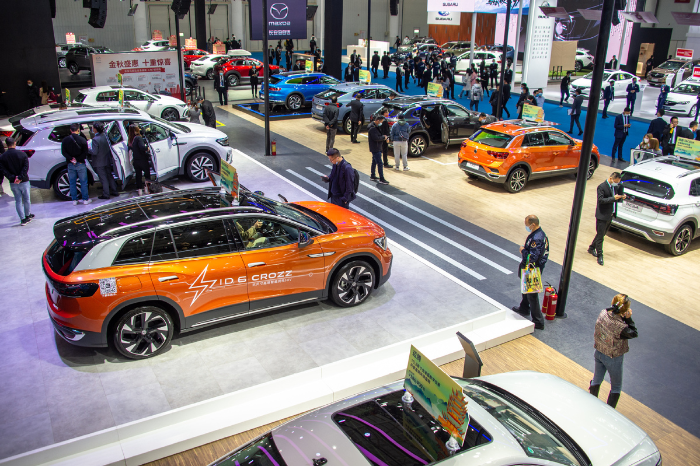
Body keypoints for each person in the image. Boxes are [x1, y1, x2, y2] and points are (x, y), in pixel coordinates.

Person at [589, 294, 638, 409]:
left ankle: (591, 404)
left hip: (599, 351)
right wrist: (628, 319)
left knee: (596, 379)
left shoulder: (603, 313)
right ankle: (609, 411)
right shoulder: (620, 327)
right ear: (625, 310)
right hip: (613, 358)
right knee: (616, 387)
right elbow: (633, 333)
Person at [511, 215, 549, 330]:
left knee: (532, 295)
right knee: (526, 290)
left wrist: (523, 251)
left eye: (527, 224)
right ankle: (524, 307)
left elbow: (532, 257)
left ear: (533, 224)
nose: (526, 226)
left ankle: (538, 320)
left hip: (531, 268)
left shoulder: (537, 238)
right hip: (531, 267)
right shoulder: (539, 234)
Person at [588, 172, 626, 265]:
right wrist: (613, 198)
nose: (617, 184)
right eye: (616, 182)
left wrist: (621, 197)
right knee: (600, 237)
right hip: (602, 215)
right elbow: (601, 200)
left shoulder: (614, 187)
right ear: (611, 179)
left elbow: (616, 199)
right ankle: (600, 255)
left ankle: (591, 248)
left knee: (601, 234)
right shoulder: (601, 187)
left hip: (610, 215)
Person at [0, 138, 33, 225]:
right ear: (15, 143)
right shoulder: (22, 154)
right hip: (24, 181)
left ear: (6, 144)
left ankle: (22, 219)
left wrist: (13, 178)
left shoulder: (2, 157)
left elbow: (3, 170)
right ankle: (28, 215)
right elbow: (25, 167)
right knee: (26, 199)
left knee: (18, 200)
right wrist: (20, 177)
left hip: (13, 182)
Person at [61, 123, 92, 205]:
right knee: (83, 182)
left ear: (70, 130)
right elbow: (85, 153)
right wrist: (77, 159)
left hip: (70, 164)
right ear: (78, 130)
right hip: (80, 163)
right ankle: (85, 199)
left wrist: (71, 159)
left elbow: (63, 152)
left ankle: (74, 200)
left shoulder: (65, 140)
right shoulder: (82, 140)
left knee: (72, 183)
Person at [89, 121, 119, 200]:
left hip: (99, 162)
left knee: (103, 178)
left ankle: (106, 194)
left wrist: (88, 149)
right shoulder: (106, 136)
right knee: (109, 176)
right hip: (107, 160)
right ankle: (114, 191)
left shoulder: (95, 139)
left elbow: (94, 152)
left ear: (95, 129)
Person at [128, 125, 151, 196]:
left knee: (138, 176)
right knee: (147, 174)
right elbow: (142, 147)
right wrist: (147, 148)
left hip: (136, 160)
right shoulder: (138, 138)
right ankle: (146, 188)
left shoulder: (130, 140)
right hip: (142, 160)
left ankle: (139, 190)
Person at [368, 116, 389, 185]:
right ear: (377, 120)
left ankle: (373, 175)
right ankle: (381, 179)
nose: (381, 123)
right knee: (380, 163)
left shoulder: (375, 127)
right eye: (381, 121)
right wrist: (383, 137)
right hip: (376, 148)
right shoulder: (373, 128)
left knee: (374, 161)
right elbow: (376, 138)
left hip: (376, 147)